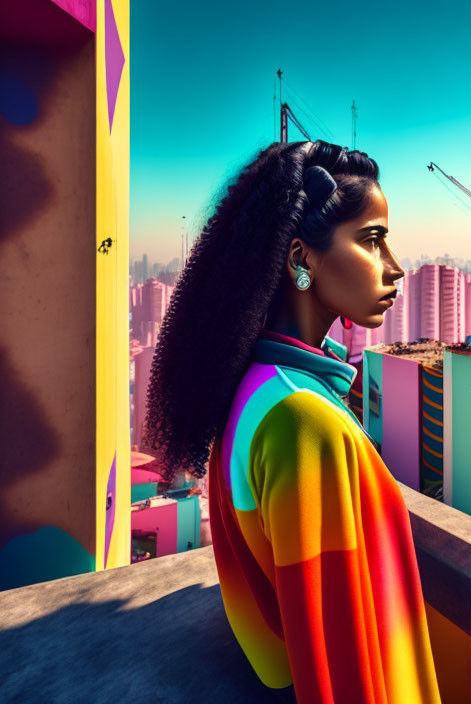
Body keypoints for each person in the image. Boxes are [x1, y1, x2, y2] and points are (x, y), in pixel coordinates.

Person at [143, 140, 442, 703]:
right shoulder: (303, 424)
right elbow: (337, 657)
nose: (395, 268)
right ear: (303, 261)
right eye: (373, 240)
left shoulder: (255, 384)